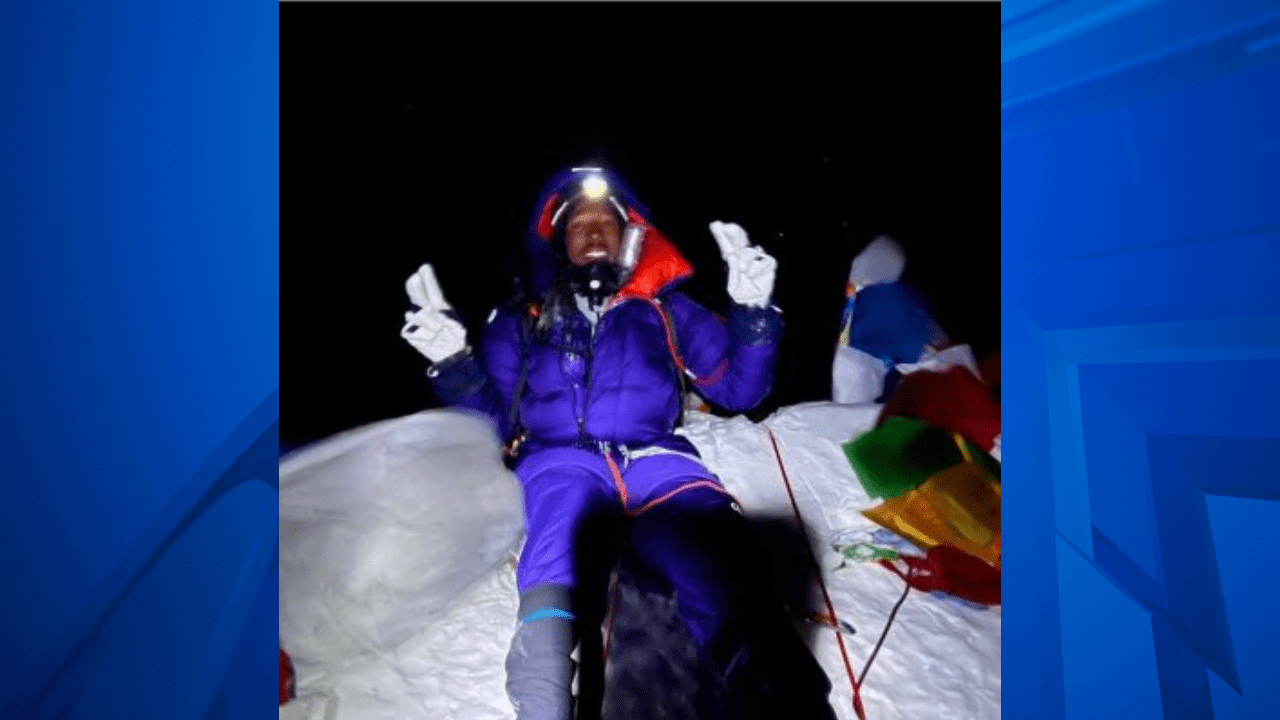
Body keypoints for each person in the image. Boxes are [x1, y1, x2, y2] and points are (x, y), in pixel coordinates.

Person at [401, 167, 835, 720]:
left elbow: (740, 388)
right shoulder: (523, 314)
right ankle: (543, 700)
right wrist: (453, 365)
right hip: (561, 462)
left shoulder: (664, 306)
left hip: (658, 459)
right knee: (554, 554)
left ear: (631, 233)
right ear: (558, 241)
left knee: (718, 560)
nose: (592, 231)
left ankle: (783, 698)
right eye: (577, 223)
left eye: (605, 220)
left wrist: (752, 316)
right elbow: (493, 427)